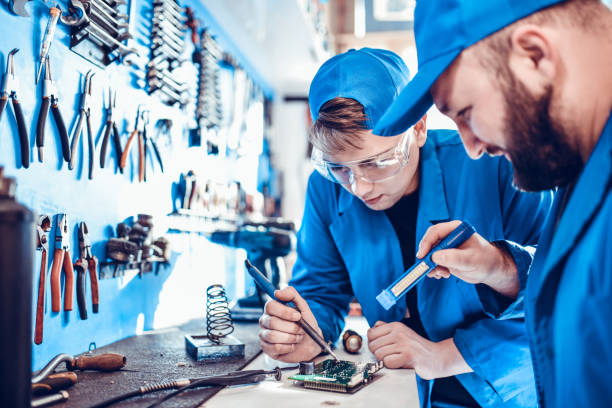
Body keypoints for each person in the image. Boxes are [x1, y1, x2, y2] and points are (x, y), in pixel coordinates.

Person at [258, 48, 552, 407]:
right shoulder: (327, 189)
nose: (359, 186)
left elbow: (559, 298)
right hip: (395, 390)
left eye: (378, 161)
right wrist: (306, 332)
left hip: (506, 393)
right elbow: (320, 292)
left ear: (419, 127)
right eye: (339, 167)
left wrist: (442, 355)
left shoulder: (494, 165)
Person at [373, 0, 612, 406]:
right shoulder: (579, 172)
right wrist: (498, 265)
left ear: (534, 55)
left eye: (464, 112)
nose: (471, 147)